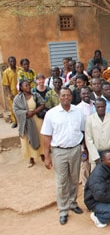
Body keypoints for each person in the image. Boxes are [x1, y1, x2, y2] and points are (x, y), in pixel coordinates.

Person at [41, 87, 86, 225]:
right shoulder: (51, 114)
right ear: (59, 97)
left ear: (71, 97)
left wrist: (84, 149)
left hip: (75, 150)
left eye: (68, 95)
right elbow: (47, 137)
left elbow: (83, 131)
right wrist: (47, 156)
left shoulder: (78, 112)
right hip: (59, 151)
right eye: (63, 95)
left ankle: (72, 203)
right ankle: (63, 210)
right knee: (61, 182)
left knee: (74, 179)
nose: (66, 98)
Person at [84, 150, 110, 228]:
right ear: (103, 160)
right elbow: (99, 195)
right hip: (95, 201)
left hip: (109, 194)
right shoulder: (98, 175)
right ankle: (98, 217)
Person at [13, 80, 46, 168]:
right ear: (21, 88)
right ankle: (31, 158)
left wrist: (34, 112)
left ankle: (42, 154)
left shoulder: (35, 95)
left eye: (28, 85)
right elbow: (15, 110)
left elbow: (42, 104)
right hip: (25, 122)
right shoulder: (18, 98)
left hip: (36, 120)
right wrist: (26, 113)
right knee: (27, 140)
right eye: (25, 85)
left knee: (39, 138)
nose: (28, 87)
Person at [85, 98, 110, 172]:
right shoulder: (90, 120)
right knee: (97, 178)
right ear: (95, 107)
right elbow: (88, 139)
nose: (100, 109)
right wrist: (96, 157)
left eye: (102, 107)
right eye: (98, 107)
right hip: (96, 153)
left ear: (105, 106)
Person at [2, 56, 19, 128]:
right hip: (12, 92)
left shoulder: (20, 69)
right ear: (9, 62)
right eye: (11, 61)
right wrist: (10, 94)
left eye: (14, 61)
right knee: (13, 108)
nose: (13, 63)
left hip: (20, 91)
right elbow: (5, 85)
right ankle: (15, 121)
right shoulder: (6, 72)